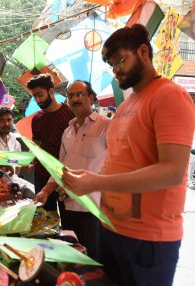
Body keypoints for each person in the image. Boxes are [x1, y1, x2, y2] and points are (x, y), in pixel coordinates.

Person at [61, 24, 195, 286]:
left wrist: (96, 182)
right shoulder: (126, 105)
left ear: (143, 51)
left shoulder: (170, 96)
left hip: (148, 239)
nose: (116, 70)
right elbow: (118, 162)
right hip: (110, 228)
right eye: (111, 65)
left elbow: (173, 171)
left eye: (120, 60)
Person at [35, 80, 109, 259]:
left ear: (91, 98)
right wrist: (46, 190)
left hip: (93, 208)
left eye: (80, 94)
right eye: (71, 96)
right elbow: (60, 167)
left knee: (94, 257)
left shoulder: (106, 126)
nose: (75, 99)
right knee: (73, 255)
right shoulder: (67, 131)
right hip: (67, 205)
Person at [26, 74, 75, 211]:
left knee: (68, 217)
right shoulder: (36, 118)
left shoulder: (70, 113)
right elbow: (36, 144)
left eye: (40, 94)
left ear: (51, 91)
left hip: (65, 172)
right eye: (34, 96)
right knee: (44, 216)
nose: (37, 99)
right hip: (42, 173)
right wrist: (31, 161)